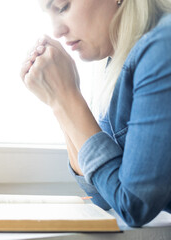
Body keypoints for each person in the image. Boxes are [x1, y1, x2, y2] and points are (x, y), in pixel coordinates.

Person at [20, 0, 171, 227]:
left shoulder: (162, 47)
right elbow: (100, 195)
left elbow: (134, 206)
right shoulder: (116, 64)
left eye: (63, 7)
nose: (57, 31)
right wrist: (58, 101)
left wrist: (67, 98)